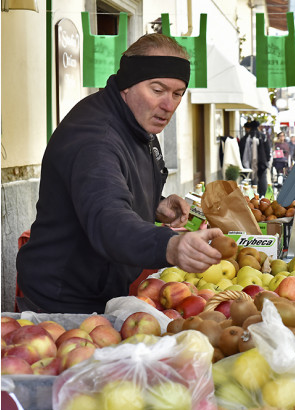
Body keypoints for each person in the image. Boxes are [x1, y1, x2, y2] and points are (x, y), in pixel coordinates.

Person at [15, 34, 224, 314]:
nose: (169, 105)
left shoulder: (137, 121)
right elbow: (107, 217)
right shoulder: (95, 138)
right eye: (158, 89)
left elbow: (115, 184)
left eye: (178, 94)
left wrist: (156, 204)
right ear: (128, 85)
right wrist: (171, 246)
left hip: (102, 286)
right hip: (63, 299)